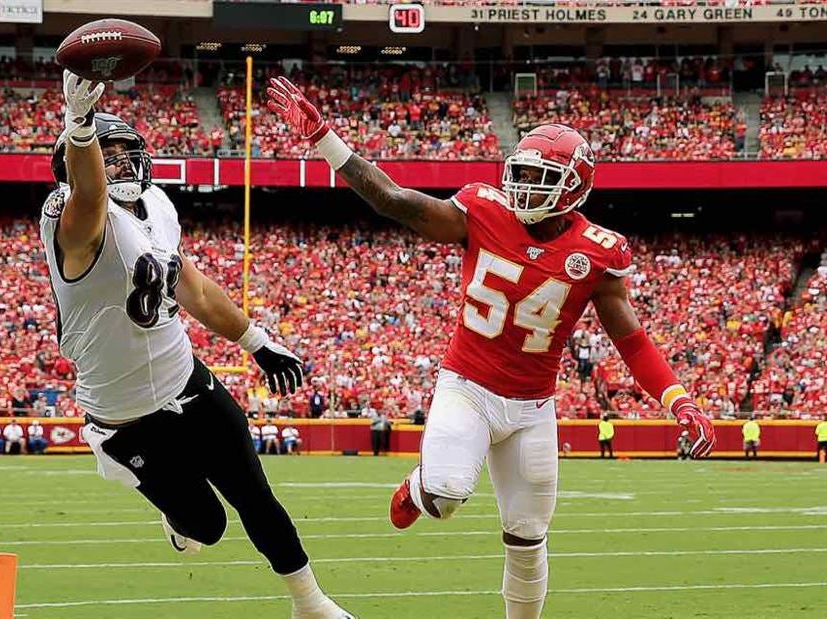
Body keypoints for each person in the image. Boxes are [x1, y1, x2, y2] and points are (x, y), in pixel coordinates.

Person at [267, 79, 716, 619]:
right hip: (469, 388)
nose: (524, 186)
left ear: (575, 187)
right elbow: (393, 200)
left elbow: (631, 339)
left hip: (533, 407)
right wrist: (324, 137)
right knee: (446, 496)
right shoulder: (482, 210)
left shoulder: (598, 253)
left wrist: (679, 401)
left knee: (528, 538)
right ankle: (420, 486)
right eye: (521, 173)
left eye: (539, 177)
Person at [41, 71, 351, 618]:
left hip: (188, 380)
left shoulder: (157, 205)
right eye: (104, 154)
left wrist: (258, 343)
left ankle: (311, 603)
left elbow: (196, 289)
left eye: (125, 152)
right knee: (207, 526)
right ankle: (151, 490)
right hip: (125, 413)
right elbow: (89, 197)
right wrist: (79, 125)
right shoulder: (70, 217)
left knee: (256, 494)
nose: (120, 164)